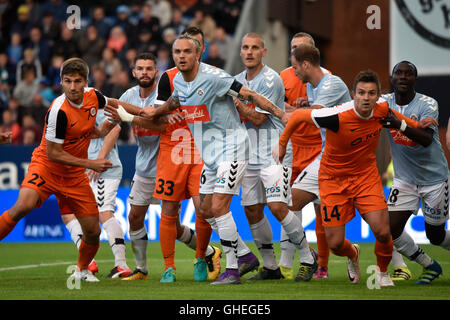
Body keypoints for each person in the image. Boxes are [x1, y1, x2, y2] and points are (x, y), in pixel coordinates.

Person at [135, 34, 302, 285]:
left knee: (220, 207)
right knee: (204, 208)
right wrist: (155, 111)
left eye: (187, 52)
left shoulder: (215, 77)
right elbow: (174, 102)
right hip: (211, 156)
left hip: (233, 148)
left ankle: (233, 269)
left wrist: (280, 112)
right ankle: (245, 255)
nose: (182, 56)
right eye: (177, 52)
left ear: (197, 54)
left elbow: (249, 95)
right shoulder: (178, 81)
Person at [276, 69, 437, 286]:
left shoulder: (381, 109)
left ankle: (382, 273)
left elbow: (401, 119)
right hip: (333, 179)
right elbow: (297, 116)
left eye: (371, 93)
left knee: (382, 230)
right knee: (334, 243)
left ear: (378, 95)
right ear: (353, 94)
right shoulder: (336, 116)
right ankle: (353, 254)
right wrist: (282, 143)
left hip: (365, 177)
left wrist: (420, 124)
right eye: (361, 93)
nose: (366, 98)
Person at [108, 30, 222, 283]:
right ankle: (142, 268)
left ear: (156, 71)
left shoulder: (170, 85)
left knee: (190, 210)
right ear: (134, 71)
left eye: (149, 68)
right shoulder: (129, 96)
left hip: (177, 158)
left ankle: (207, 254)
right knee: (136, 216)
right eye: (141, 68)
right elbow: (115, 111)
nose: (145, 72)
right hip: (147, 166)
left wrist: (138, 116)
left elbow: (160, 123)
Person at [0, 58, 116, 282]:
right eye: (67, 81)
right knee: (23, 205)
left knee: (93, 231)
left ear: (85, 82)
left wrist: (142, 114)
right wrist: (91, 163)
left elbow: (84, 127)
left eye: (77, 81)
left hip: (73, 176)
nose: (72, 86)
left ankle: (82, 270)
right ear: (61, 82)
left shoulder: (93, 97)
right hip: (47, 167)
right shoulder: (57, 109)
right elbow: (54, 152)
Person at [233, 33, 317, 282]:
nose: (249, 52)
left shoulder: (271, 79)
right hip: (249, 153)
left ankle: (307, 256)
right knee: (251, 210)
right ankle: (270, 267)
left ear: (263, 52)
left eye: (255, 48)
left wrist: (238, 105)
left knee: (278, 206)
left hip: (274, 152)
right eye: (245, 47)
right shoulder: (236, 80)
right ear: (240, 52)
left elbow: (258, 118)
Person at [383, 61, 449, 284]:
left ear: (415, 79)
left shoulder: (428, 103)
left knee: (435, 236)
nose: (403, 77)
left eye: (408, 73)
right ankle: (430, 265)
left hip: (435, 180)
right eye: (398, 73)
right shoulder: (384, 103)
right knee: (389, 230)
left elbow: (425, 139)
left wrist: (399, 124)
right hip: (404, 180)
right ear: (392, 78)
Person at [279, 32, 330, 280]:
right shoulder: (283, 76)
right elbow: (279, 109)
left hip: (319, 150)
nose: (296, 53)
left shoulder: (326, 79)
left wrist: (302, 108)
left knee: (321, 211)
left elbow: (322, 112)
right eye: (293, 48)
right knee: (289, 205)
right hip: (292, 149)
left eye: (301, 48)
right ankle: (290, 262)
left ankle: (323, 266)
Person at [61, 109, 131, 279]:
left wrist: (98, 159)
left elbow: (115, 129)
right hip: (85, 168)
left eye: (78, 82)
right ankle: (88, 262)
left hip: (101, 168)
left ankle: (121, 264)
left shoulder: (96, 107)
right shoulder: (70, 110)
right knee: (69, 214)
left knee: (104, 213)